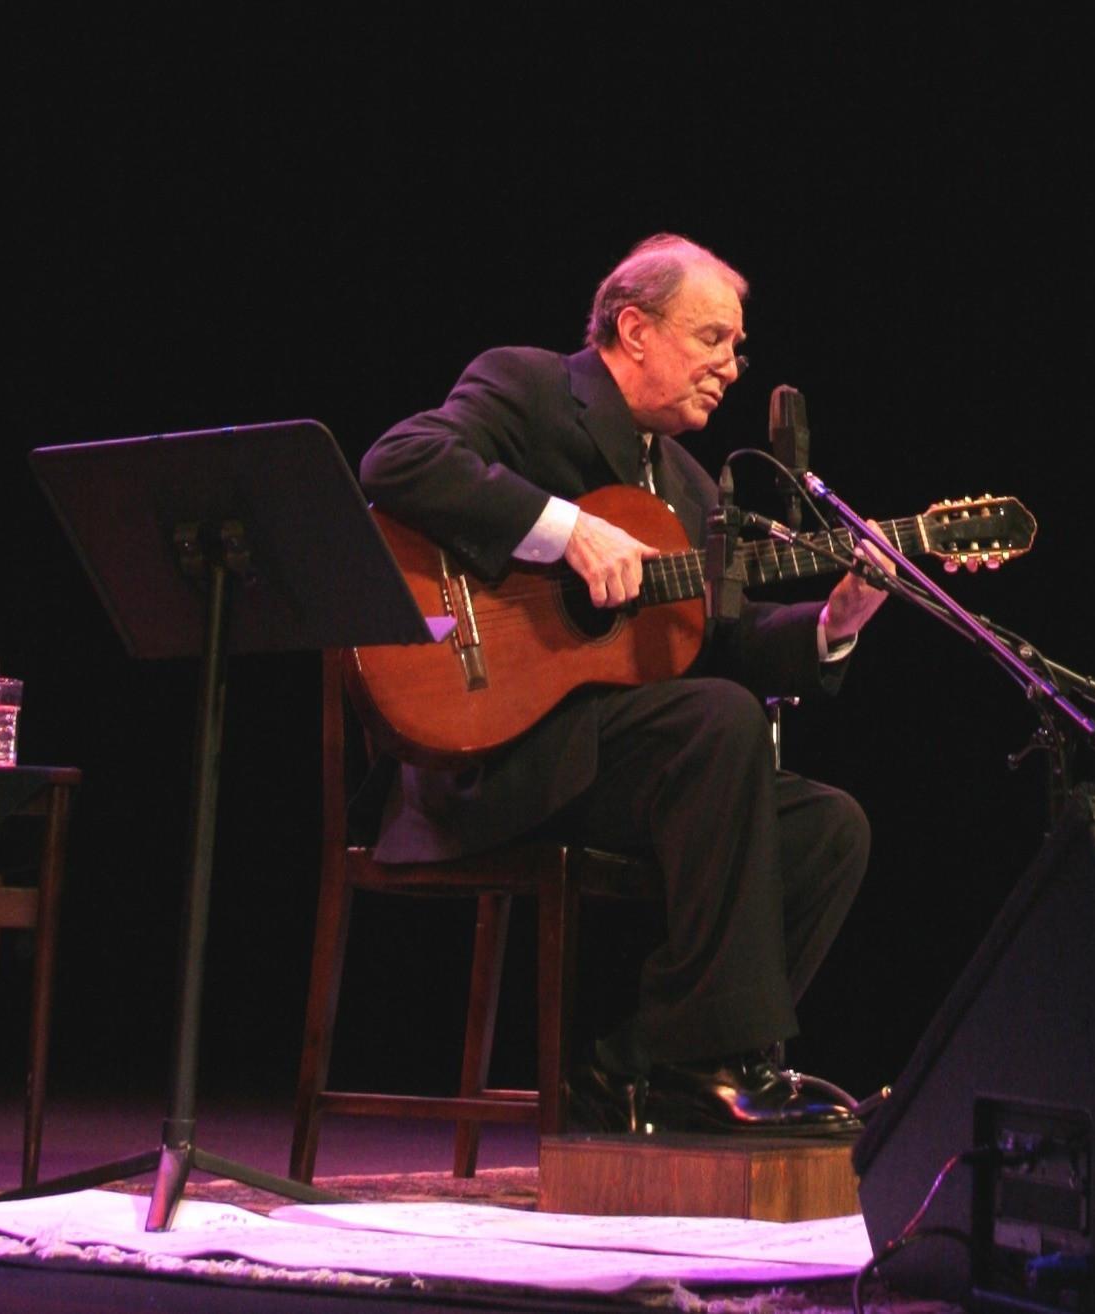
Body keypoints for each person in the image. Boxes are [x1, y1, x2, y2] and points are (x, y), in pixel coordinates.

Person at [355, 234, 888, 1134]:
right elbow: (395, 462)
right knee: (718, 721)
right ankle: (715, 1064)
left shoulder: (686, 483)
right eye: (712, 338)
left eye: (737, 349)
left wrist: (837, 623)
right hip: (491, 744)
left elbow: (734, 632)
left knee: (829, 827)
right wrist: (565, 531)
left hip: (609, 763)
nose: (730, 366)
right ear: (633, 328)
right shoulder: (528, 387)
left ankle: (637, 1066)